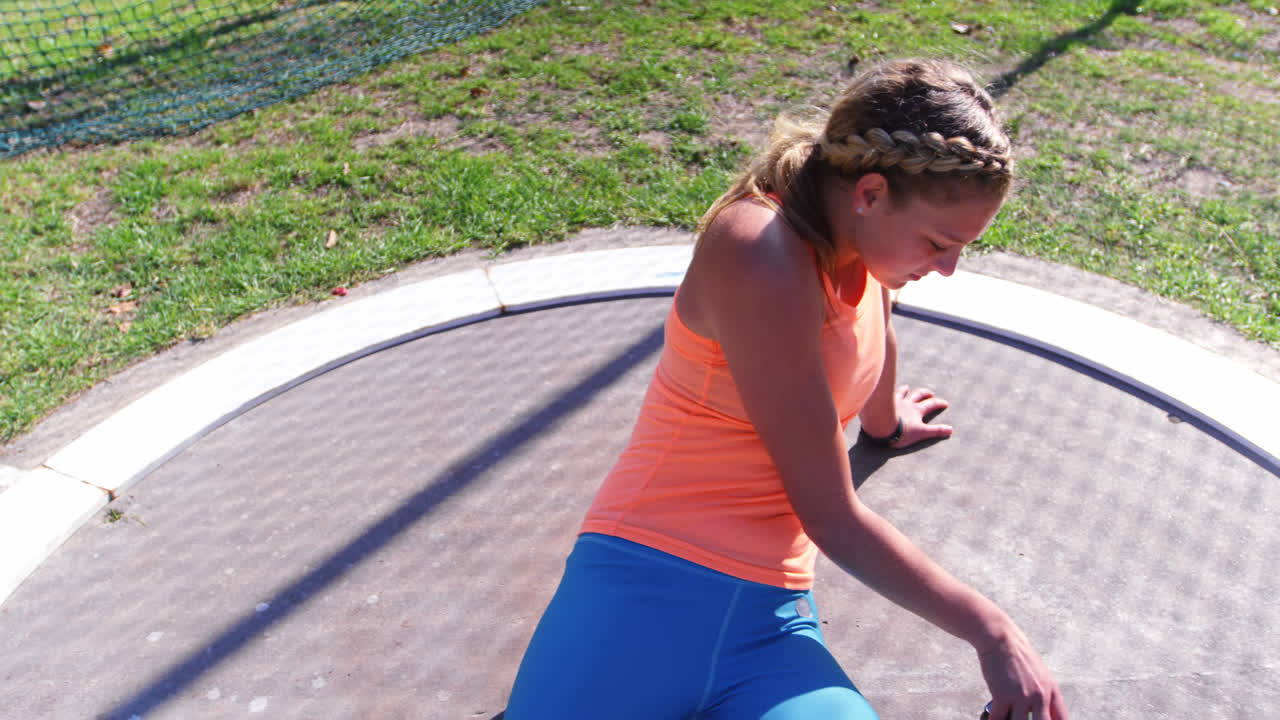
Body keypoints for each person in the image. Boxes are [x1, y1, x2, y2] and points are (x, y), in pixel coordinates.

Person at [504, 58, 1070, 720]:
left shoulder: (866, 245)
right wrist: (992, 632)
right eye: (939, 242)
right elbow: (831, 516)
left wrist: (884, 423)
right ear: (870, 193)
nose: (948, 267)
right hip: (644, 573)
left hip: (769, 618)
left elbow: (874, 332)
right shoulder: (760, 251)